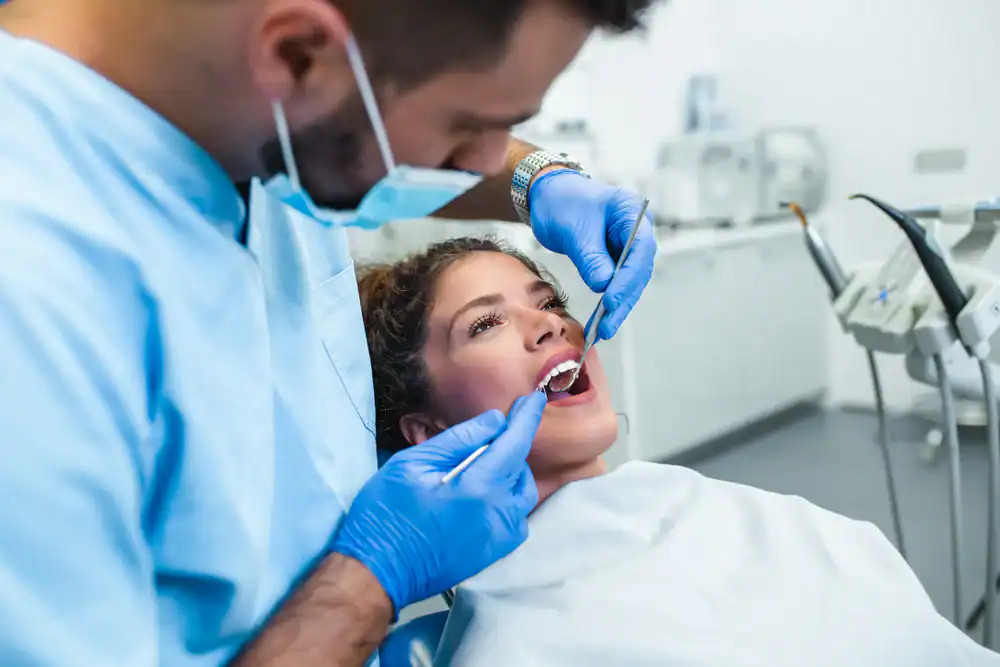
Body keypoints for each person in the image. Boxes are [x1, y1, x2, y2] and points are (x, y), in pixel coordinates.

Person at [0, 1, 661, 666]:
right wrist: (373, 576)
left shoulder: (240, 114)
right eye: (467, 126)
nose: (485, 160)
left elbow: (384, 134)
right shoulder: (34, 303)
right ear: (295, 56)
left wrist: (536, 179)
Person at [357, 237, 1000, 666]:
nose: (551, 324)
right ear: (427, 432)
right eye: (486, 323)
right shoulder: (517, 642)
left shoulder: (721, 510)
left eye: (549, 301)